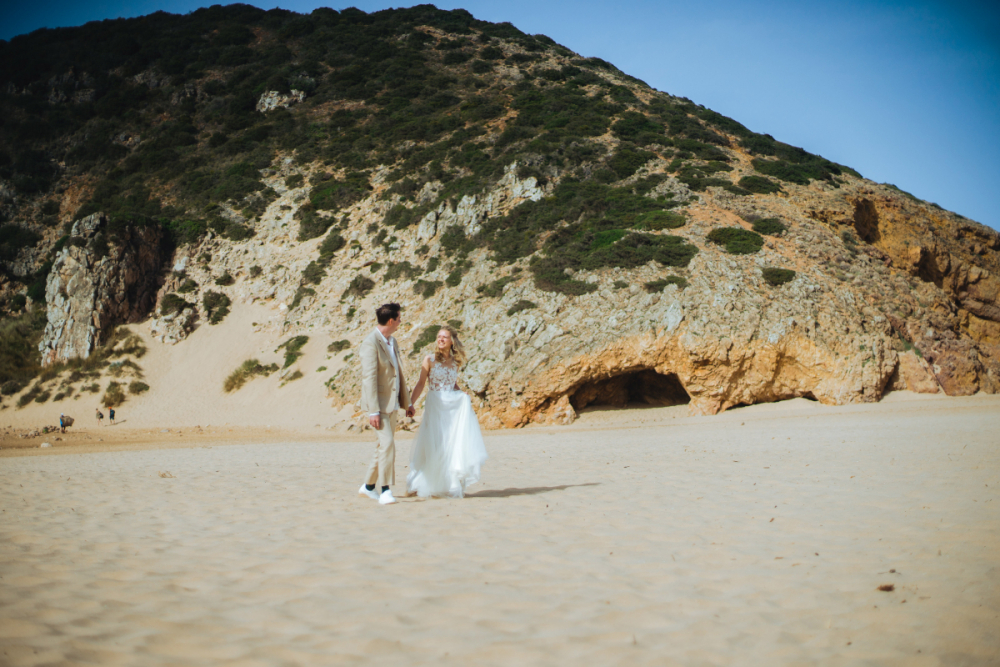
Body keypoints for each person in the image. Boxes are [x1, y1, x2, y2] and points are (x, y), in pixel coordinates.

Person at [406, 325, 487, 499]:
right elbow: (421, 383)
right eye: (439, 336)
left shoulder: (455, 362)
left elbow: (452, 383)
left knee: (452, 443)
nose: (441, 339)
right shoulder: (429, 359)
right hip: (435, 404)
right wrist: (410, 404)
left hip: (452, 408)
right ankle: (423, 482)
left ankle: (449, 483)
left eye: (445, 337)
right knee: (434, 444)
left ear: (452, 341)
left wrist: (461, 393)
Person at [358, 303, 415, 506]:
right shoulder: (370, 343)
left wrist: (407, 402)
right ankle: (385, 490)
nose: (400, 322)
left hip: (393, 404)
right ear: (391, 321)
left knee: (382, 446)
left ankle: (368, 487)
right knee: (388, 444)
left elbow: (398, 374)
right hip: (378, 406)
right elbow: (369, 378)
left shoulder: (393, 341)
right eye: (399, 319)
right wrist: (373, 410)